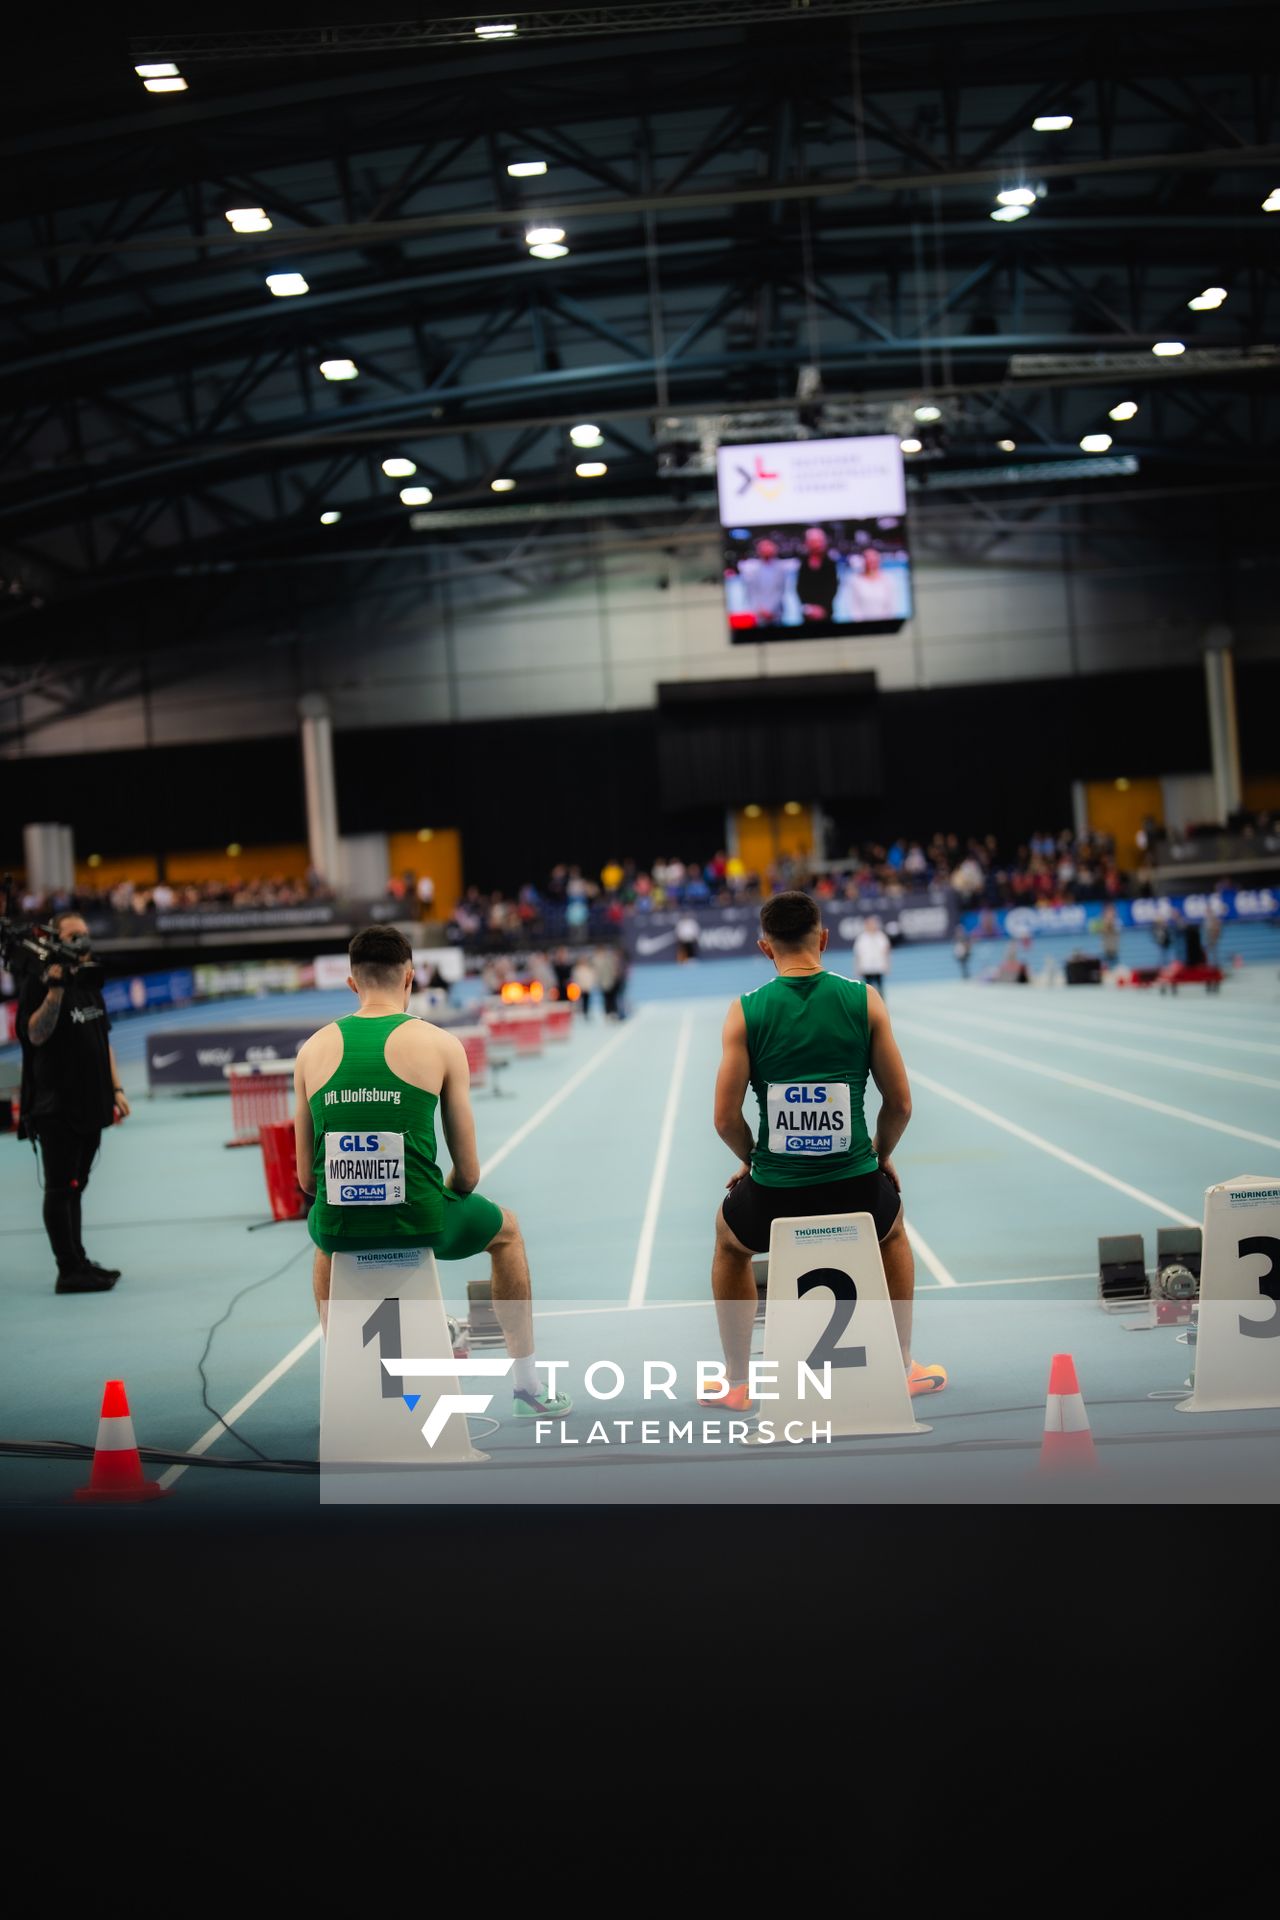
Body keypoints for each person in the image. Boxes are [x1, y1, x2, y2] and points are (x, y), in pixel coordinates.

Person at [294, 926, 571, 1423]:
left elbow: (307, 1181)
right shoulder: (441, 1044)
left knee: (324, 1234)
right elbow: (468, 1172)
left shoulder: (311, 1051)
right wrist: (441, 1192)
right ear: (411, 978)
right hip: (425, 1219)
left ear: (352, 984)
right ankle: (528, 1386)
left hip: (343, 1225)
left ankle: (344, 1382)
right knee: (507, 1234)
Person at [706, 890, 945, 1412]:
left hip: (773, 1195)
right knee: (894, 1228)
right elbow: (900, 1103)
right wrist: (880, 1156)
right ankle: (902, 1365)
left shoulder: (744, 1013)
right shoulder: (865, 1001)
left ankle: (739, 1381)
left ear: (765, 948)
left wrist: (752, 1161)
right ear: (825, 938)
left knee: (729, 1243)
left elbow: (725, 1119)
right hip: (856, 1186)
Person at [16, 911, 129, 1293]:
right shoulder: (39, 980)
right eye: (72, 934)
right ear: (53, 939)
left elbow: (104, 1038)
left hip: (92, 1103)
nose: (82, 940)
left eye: (85, 933)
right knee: (60, 1189)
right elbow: (34, 1035)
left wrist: (116, 1090)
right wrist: (55, 990)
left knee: (76, 1186)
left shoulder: (90, 979)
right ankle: (68, 1270)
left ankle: (79, 1259)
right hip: (56, 1108)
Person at [734, 536, 788, 626]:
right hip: (759, 614)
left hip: (776, 613)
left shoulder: (780, 568)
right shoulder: (753, 569)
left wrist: (771, 610)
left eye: (768, 546)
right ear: (758, 550)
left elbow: (780, 591)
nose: (766, 549)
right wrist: (759, 609)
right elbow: (751, 592)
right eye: (762, 547)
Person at [797, 526, 840, 623]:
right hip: (807, 615)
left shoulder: (830, 564)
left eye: (819, 541)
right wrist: (809, 609)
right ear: (807, 543)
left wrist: (822, 609)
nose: (817, 544)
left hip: (826, 614)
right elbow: (800, 589)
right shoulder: (803, 564)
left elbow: (832, 588)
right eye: (813, 541)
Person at [846, 545, 895, 621]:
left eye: (874, 557)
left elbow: (890, 607)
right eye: (867, 557)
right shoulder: (855, 580)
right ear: (863, 560)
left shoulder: (888, 580)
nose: (871, 560)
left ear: (878, 559)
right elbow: (853, 608)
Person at [853, 914, 891, 996]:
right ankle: (869, 1005)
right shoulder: (861, 938)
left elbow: (886, 951)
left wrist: (887, 964)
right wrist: (858, 967)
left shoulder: (881, 936)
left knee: (880, 987)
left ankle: (881, 1004)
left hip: (878, 966)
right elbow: (858, 954)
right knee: (867, 988)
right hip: (866, 967)